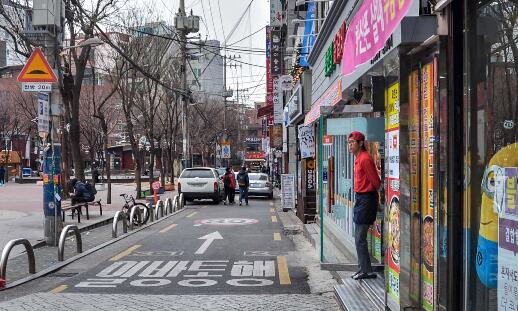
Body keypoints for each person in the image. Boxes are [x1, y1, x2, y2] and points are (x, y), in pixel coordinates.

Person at [348, 131, 381, 280]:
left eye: (352, 142)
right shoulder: (358, 158)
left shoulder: (365, 159)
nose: (350, 145)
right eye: (348, 143)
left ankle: (366, 271)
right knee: (359, 237)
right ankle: (363, 268)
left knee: (360, 237)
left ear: (360, 143)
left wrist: (377, 200)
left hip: (367, 199)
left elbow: (376, 181)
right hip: (362, 199)